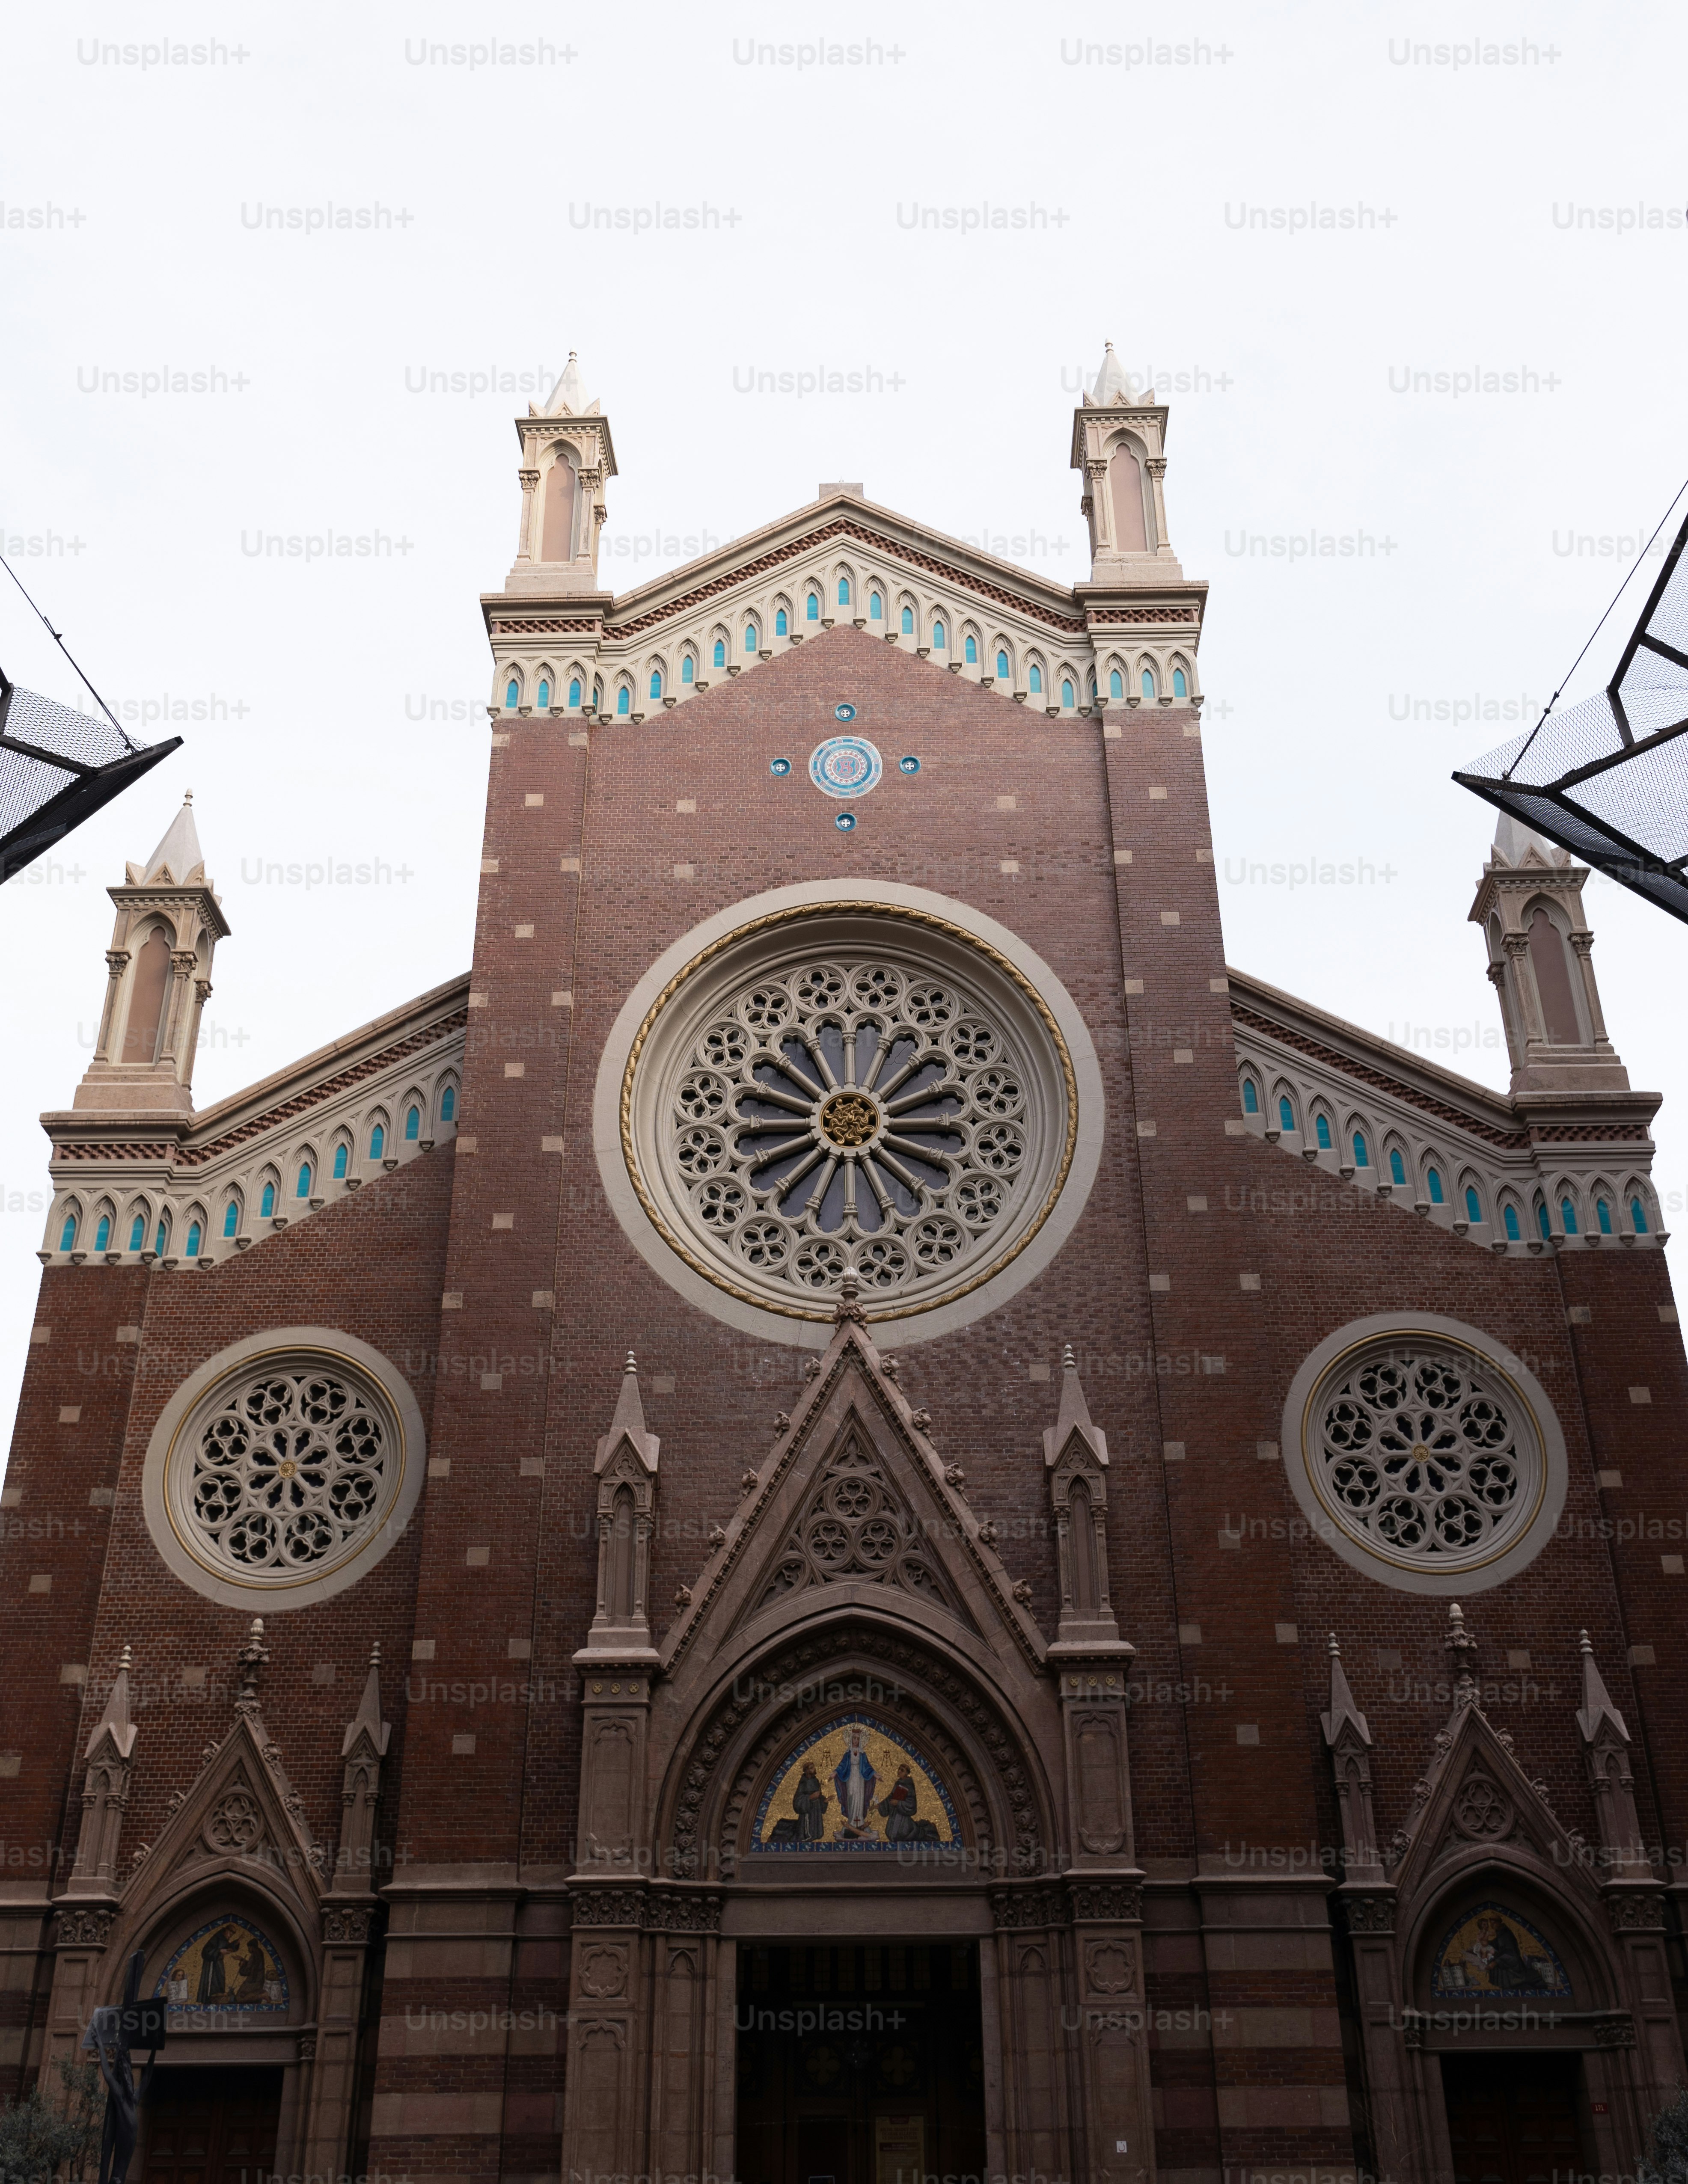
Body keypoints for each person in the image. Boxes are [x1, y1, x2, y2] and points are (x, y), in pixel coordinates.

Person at [833, 1725, 877, 1837]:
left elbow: (867, 1767)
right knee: (851, 1795)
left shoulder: (863, 1754)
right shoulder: (848, 1754)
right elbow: (842, 1765)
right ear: (851, 1739)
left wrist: (875, 1774)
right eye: (854, 1738)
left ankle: (860, 1820)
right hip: (850, 1776)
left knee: (859, 1796)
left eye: (858, 1739)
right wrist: (835, 1772)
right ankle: (851, 1820)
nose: (856, 1741)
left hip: (860, 1777)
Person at [877, 1765, 919, 1843]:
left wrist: (899, 1803)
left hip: (903, 1815)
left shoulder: (909, 1785)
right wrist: (880, 1806)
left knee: (897, 1834)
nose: (899, 1771)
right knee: (889, 1832)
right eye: (899, 1769)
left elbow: (912, 1804)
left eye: (902, 1770)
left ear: (907, 1773)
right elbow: (891, 1797)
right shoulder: (898, 1783)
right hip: (895, 1813)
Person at [793, 1763, 829, 1843]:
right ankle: (808, 1835)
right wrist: (809, 1798)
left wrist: (825, 1801)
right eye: (812, 1768)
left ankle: (815, 1834)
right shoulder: (803, 1783)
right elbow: (797, 1800)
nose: (814, 1769)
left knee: (817, 1833)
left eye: (813, 1767)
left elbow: (819, 1796)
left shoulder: (815, 1781)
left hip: (816, 1809)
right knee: (808, 1830)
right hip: (808, 1811)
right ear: (807, 1771)